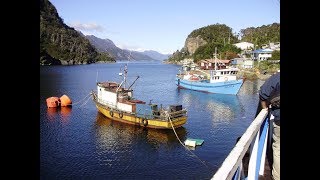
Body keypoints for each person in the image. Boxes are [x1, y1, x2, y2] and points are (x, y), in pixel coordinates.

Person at [258, 71, 280, 180]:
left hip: (279, 119)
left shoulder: (277, 77)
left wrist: (264, 109)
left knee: (278, 149)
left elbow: (263, 93)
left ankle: (277, 177)